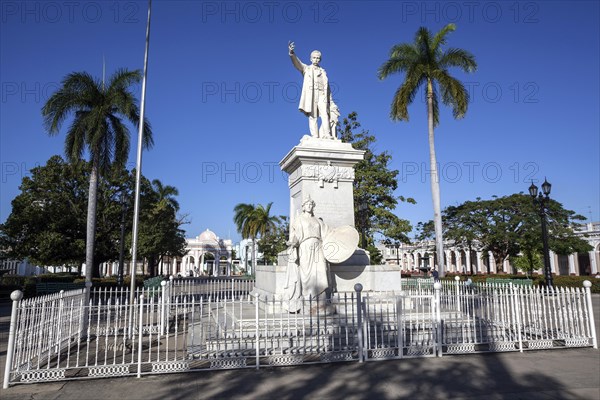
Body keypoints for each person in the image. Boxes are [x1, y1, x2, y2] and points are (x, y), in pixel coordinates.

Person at [284, 196, 330, 308]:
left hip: (318, 246)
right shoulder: (299, 219)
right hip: (305, 246)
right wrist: (293, 242)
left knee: (321, 270)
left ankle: (320, 297)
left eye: (311, 204)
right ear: (303, 207)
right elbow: (295, 235)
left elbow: (326, 233)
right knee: (306, 272)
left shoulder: (318, 221)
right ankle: (308, 298)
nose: (309, 206)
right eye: (307, 204)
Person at [288, 41, 339, 139]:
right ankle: (315, 135)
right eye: (314, 57)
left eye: (318, 58)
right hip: (311, 94)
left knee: (325, 114)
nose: (316, 59)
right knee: (313, 115)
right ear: (311, 59)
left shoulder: (323, 72)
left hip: (322, 94)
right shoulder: (306, 68)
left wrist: (331, 101)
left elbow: (328, 89)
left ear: (320, 59)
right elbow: (297, 63)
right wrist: (292, 53)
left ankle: (327, 134)